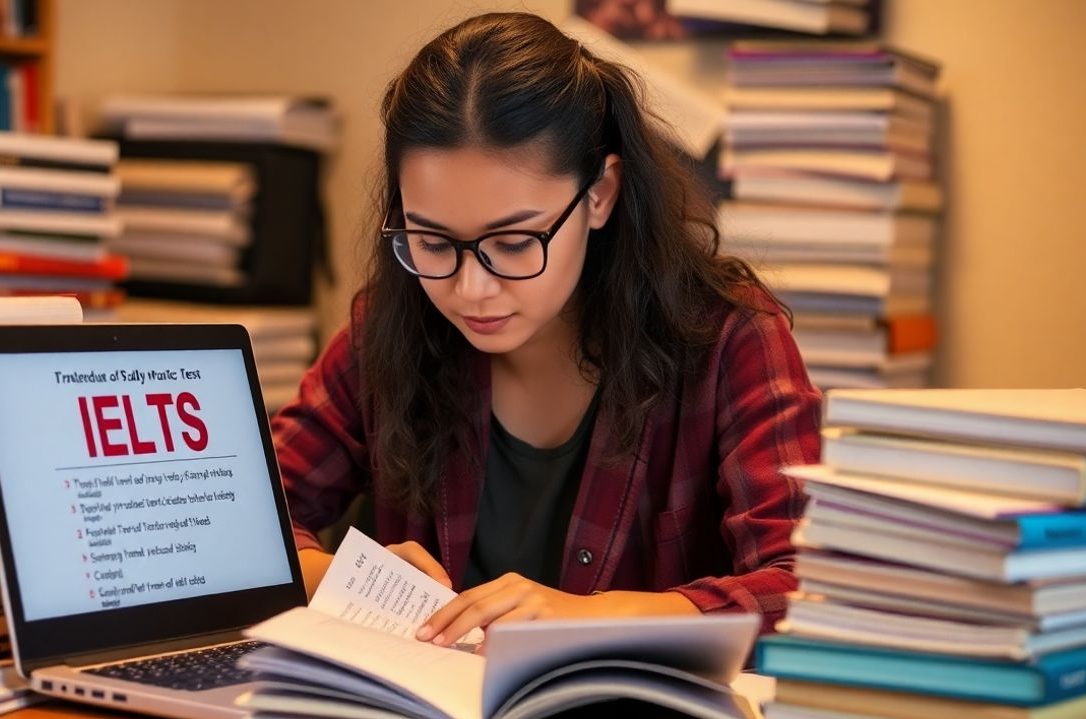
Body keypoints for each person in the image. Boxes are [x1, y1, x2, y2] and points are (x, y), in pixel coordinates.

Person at [270, 11, 821, 647]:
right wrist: (347, 578)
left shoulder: (728, 337)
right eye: (430, 240)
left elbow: (804, 587)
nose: (469, 289)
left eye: (512, 242)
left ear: (600, 195)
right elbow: (250, 519)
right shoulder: (392, 325)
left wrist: (586, 616)